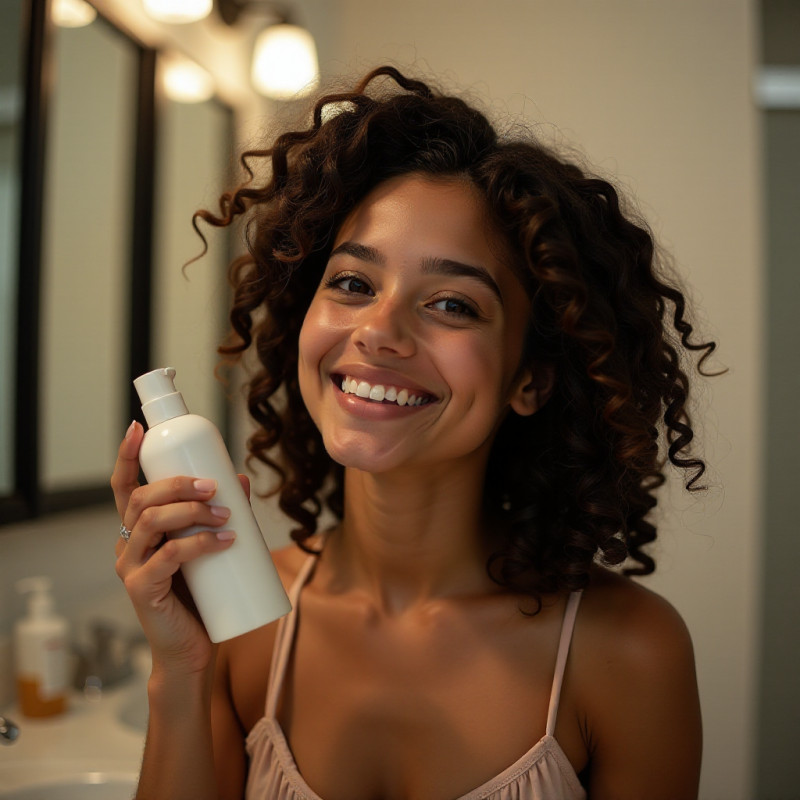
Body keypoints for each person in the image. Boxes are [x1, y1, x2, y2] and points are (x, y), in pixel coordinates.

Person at [111, 65, 712, 800]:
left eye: (453, 304)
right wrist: (180, 672)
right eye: (355, 284)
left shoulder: (626, 652)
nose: (380, 332)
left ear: (533, 379)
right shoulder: (240, 626)